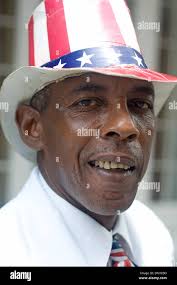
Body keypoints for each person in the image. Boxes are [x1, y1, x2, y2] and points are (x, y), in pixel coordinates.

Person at [0, 0, 177, 267]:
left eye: (140, 104)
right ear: (32, 127)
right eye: (87, 103)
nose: (126, 127)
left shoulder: (153, 234)